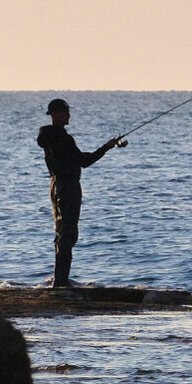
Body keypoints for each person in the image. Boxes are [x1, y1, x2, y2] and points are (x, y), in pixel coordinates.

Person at [36, 98, 122, 288]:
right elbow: (84, 161)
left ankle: (60, 279)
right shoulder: (63, 138)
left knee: (61, 231)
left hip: (55, 185)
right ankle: (61, 282)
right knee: (68, 233)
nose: (69, 115)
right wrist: (105, 148)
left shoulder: (48, 136)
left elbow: (78, 159)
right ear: (56, 114)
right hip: (68, 186)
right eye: (66, 111)